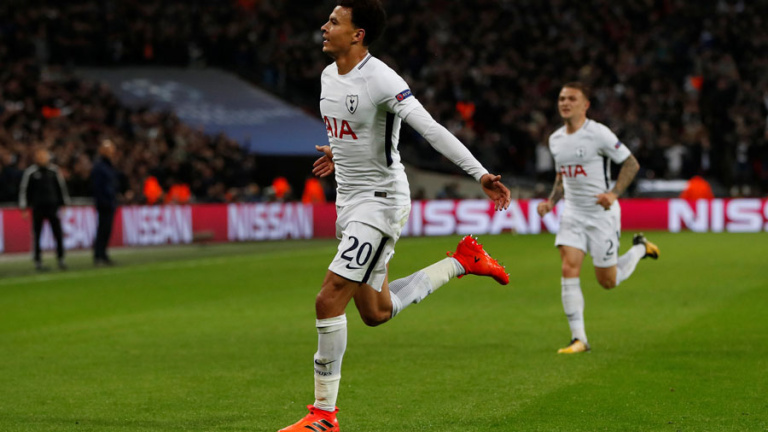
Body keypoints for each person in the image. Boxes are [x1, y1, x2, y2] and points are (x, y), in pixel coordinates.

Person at [278, 1, 512, 430]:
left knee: (329, 298)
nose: (324, 26)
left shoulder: (382, 79)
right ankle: (462, 262)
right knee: (376, 312)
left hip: (380, 202)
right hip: (349, 203)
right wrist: (338, 152)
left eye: (334, 21)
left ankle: (323, 416)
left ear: (358, 34)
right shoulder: (329, 76)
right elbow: (357, 132)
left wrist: (479, 173)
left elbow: (431, 129)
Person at [537, 82, 660, 354]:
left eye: (572, 99)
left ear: (585, 105)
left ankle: (640, 249)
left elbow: (631, 163)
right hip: (573, 213)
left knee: (608, 281)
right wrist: (551, 202)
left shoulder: (598, 134)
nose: (565, 103)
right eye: (562, 98)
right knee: (569, 268)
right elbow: (562, 175)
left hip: (601, 215)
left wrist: (614, 193)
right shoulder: (555, 139)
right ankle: (579, 339)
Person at [19, 148, 70, 270]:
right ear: (36, 158)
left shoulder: (54, 171)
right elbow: (24, 190)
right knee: (37, 234)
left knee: (58, 233)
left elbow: (61, 188)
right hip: (38, 208)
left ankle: (61, 258)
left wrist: (64, 204)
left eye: (44, 156)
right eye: (40, 156)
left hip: (52, 207)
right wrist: (24, 207)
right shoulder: (31, 172)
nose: (42, 158)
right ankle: (38, 260)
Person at [91, 139, 119, 265]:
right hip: (104, 203)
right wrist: (103, 200)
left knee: (106, 230)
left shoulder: (108, 166)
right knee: (102, 229)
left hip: (109, 202)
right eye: (109, 149)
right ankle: (99, 255)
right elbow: (97, 187)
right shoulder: (100, 167)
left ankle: (103, 254)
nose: (111, 152)